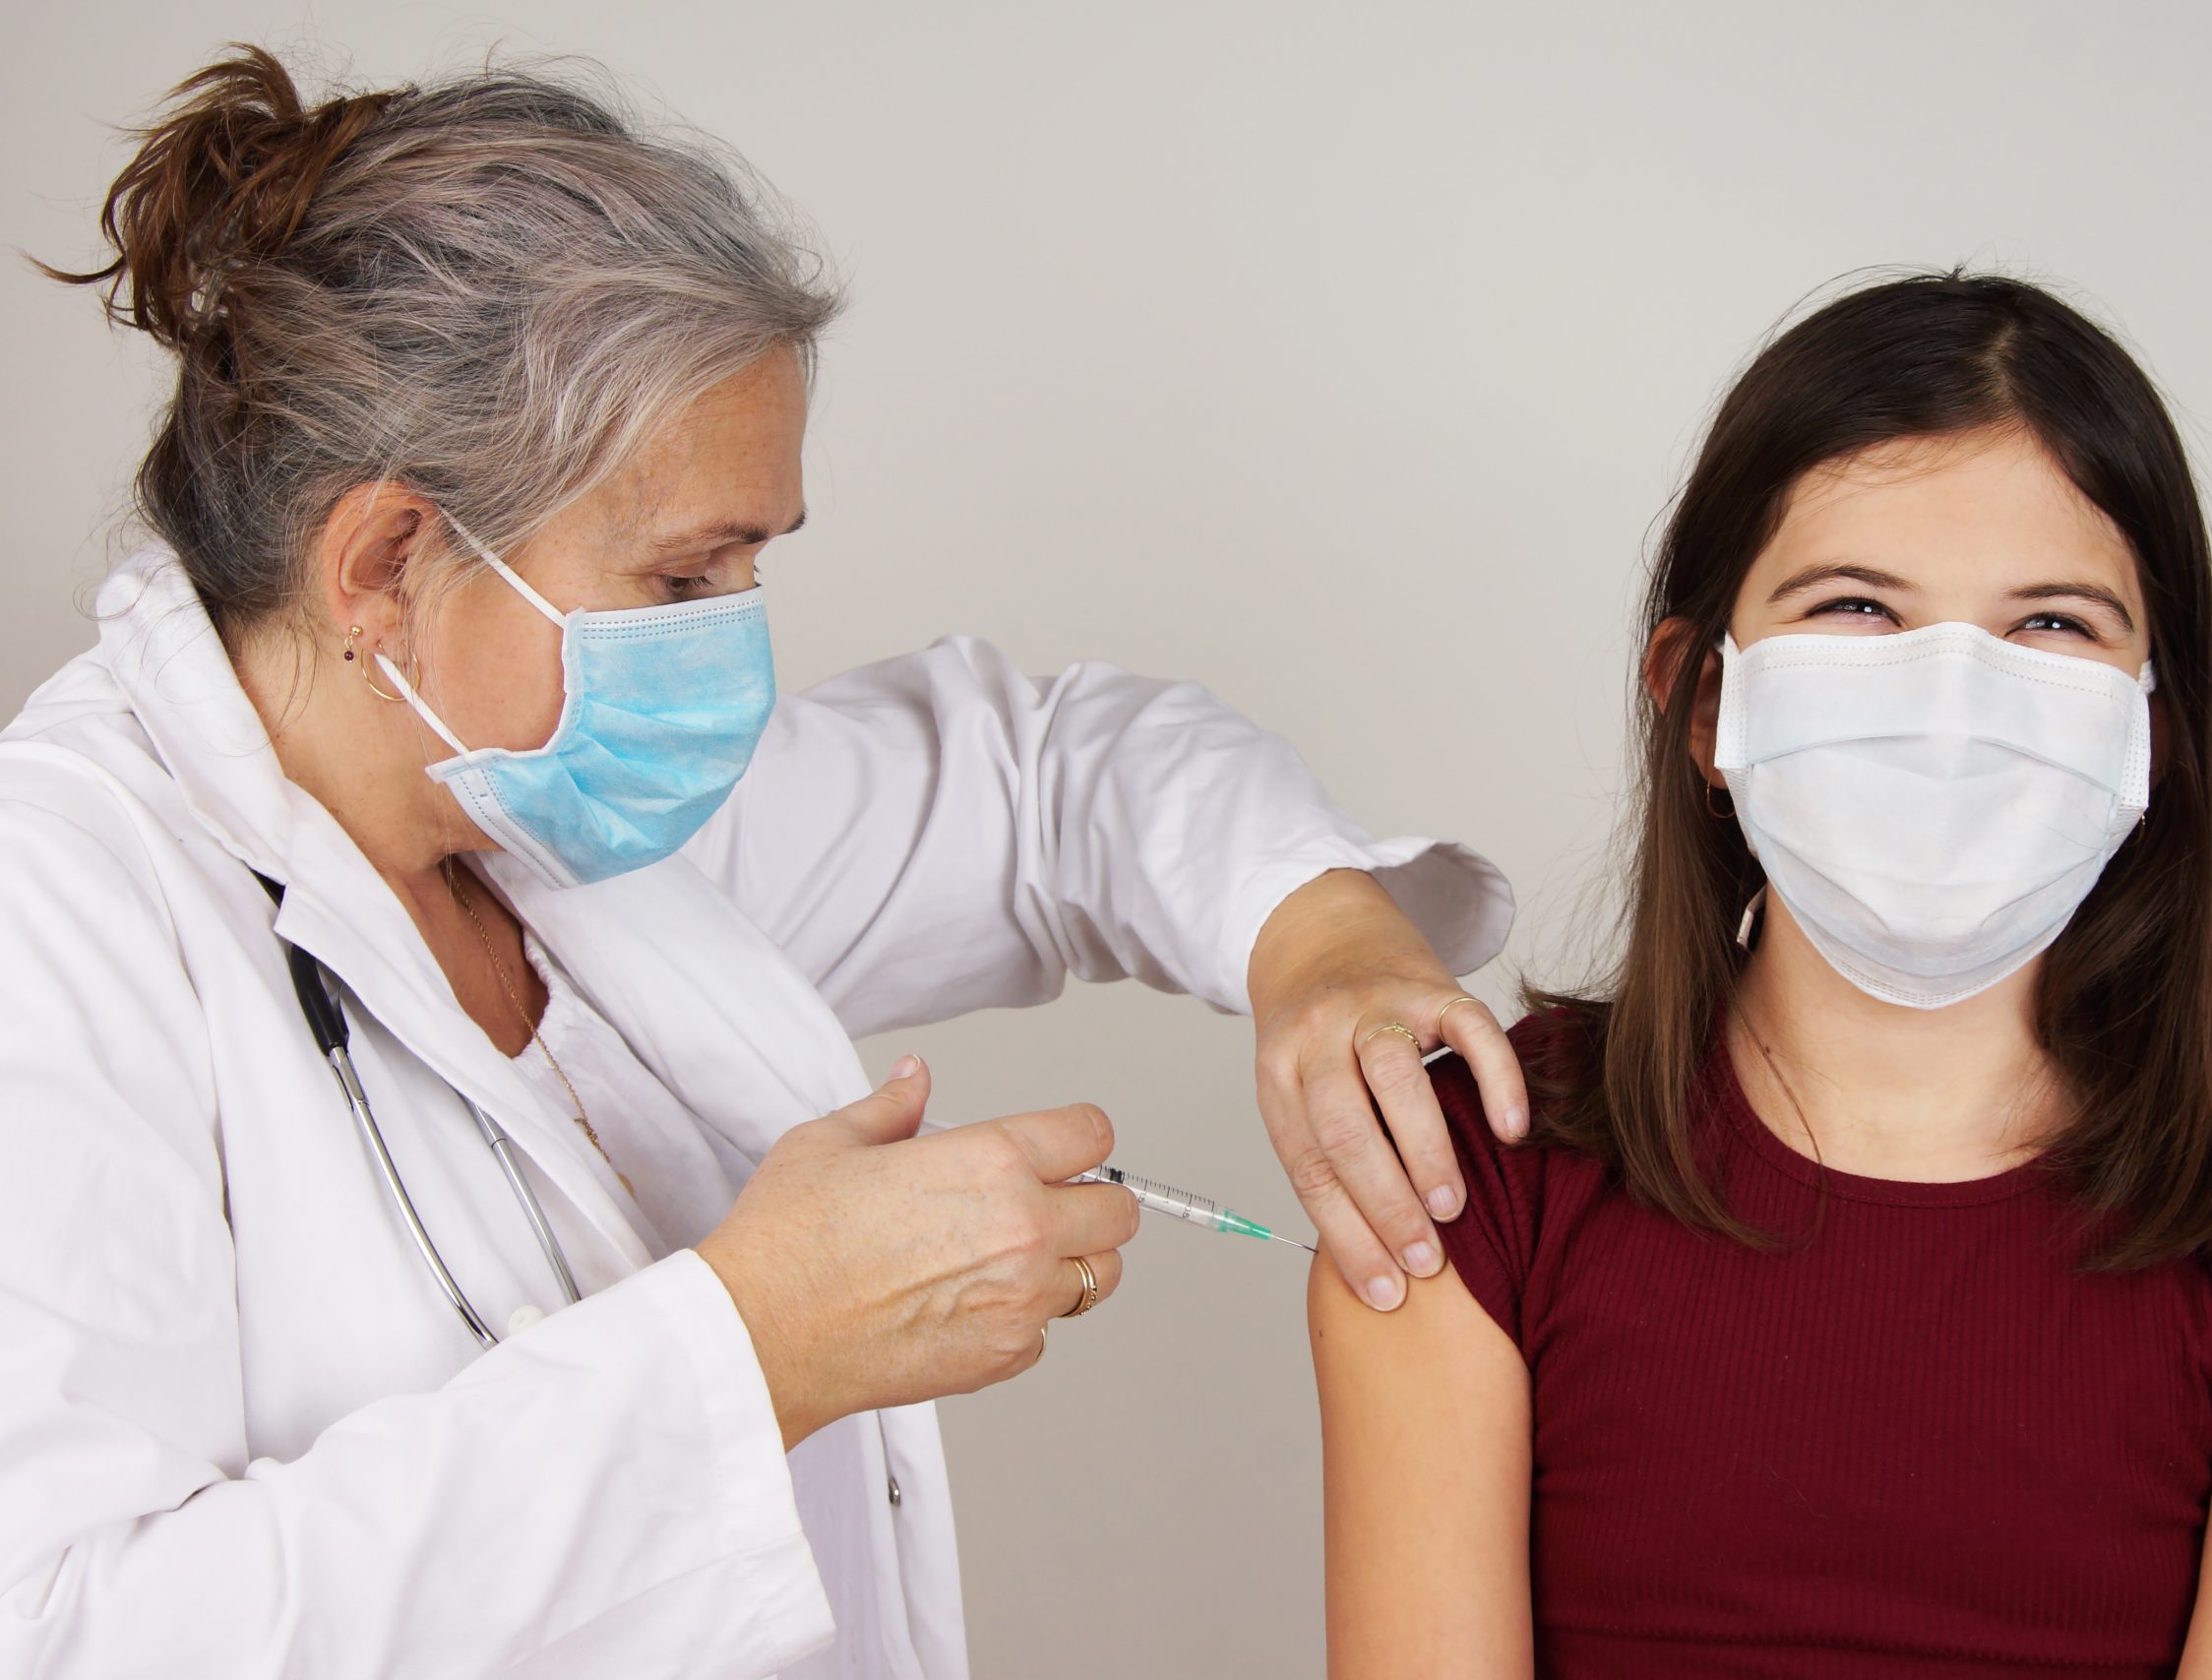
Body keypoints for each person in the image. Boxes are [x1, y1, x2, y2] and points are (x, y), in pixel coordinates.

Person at [0, 47, 1527, 1680]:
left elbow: (1048, 774)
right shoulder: (65, 916)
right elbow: (73, 1633)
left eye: (751, 566)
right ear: (386, 559)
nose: (728, 650)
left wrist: (1319, 936)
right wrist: (756, 1349)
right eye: (680, 577)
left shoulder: (544, 808)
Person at [1310, 274, 2212, 1678]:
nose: (1951, 704)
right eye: (1859, 606)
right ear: (1702, 698)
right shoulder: (1470, 1174)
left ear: (2150, 731)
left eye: (2052, 624)